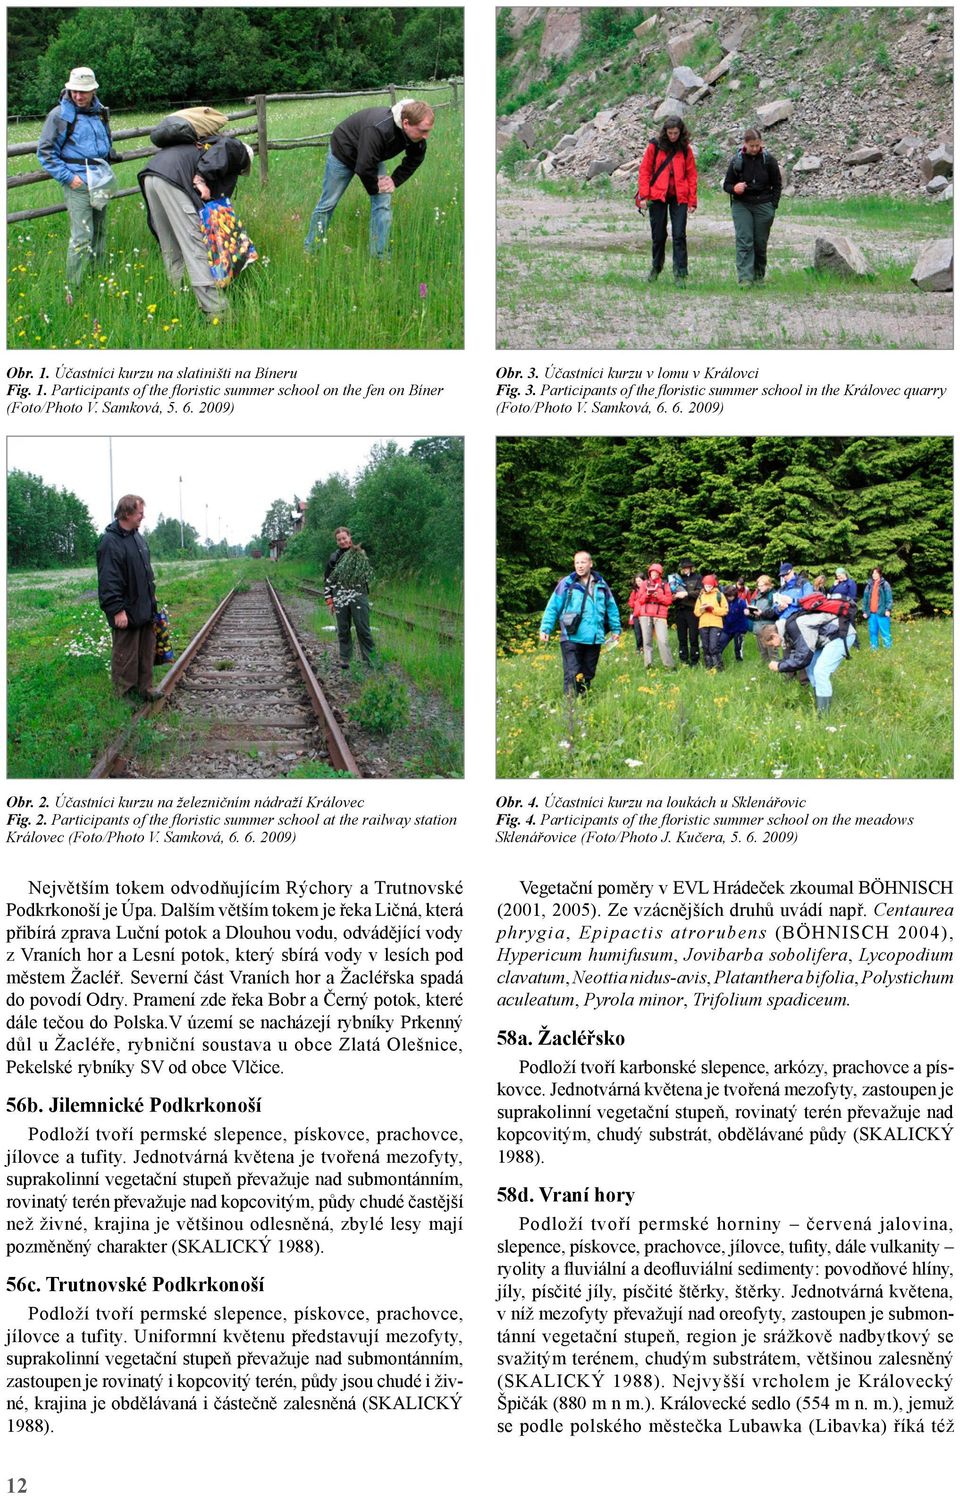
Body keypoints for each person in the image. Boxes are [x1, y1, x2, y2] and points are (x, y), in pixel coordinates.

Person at [138, 136, 253, 320]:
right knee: (196, 247)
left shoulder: (204, 149)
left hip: (152, 175)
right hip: (173, 179)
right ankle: (218, 313)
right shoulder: (236, 151)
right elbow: (229, 145)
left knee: (171, 247)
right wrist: (200, 179)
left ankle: (181, 298)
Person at [304, 100, 434, 258]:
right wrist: (375, 188)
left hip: (370, 155)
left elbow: (415, 159)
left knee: (383, 204)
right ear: (406, 123)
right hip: (343, 152)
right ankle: (311, 251)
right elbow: (364, 168)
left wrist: (394, 180)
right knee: (328, 203)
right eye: (423, 131)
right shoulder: (379, 128)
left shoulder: (416, 137)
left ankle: (380, 256)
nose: (426, 136)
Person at [37, 66, 114, 303]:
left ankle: (98, 276)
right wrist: (69, 177)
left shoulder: (100, 112)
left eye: (84, 92)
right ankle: (75, 289)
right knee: (81, 237)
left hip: (100, 177)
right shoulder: (59, 115)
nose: (79, 96)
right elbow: (45, 152)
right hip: (78, 181)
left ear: (93, 91)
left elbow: (104, 139)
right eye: (74, 91)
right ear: (68, 89)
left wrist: (109, 156)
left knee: (100, 231)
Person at [96, 495, 159, 703]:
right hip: (126, 610)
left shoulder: (137, 537)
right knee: (126, 655)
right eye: (140, 513)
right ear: (127, 513)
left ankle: (145, 689)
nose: (143, 516)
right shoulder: (110, 541)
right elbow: (109, 580)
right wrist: (116, 609)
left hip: (144, 607)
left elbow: (145, 571)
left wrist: (152, 596)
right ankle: (124, 697)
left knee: (145, 651)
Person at [539, 550, 621, 696]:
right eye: (577, 562)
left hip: (594, 637)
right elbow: (553, 606)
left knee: (588, 673)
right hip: (571, 636)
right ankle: (571, 706)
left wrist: (616, 629)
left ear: (590, 563)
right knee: (572, 673)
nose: (580, 566)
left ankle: (582, 701)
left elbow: (611, 606)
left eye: (583, 562)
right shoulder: (567, 583)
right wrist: (546, 628)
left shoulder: (601, 584)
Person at [759, 605, 856, 715]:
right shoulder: (787, 631)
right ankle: (819, 702)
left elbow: (803, 658)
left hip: (841, 634)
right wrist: (781, 663)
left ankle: (823, 714)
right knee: (811, 668)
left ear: (774, 636)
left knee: (821, 671)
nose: (774, 648)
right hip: (827, 639)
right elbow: (796, 656)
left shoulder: (796, 627)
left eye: (771, 645)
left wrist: (779, 666)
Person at [635, 115, 697, 283]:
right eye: (670, 133)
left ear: (681, 132)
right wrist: (644, 195)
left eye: (675, 133)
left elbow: (691, 175)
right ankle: (656, 267)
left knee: (679, 235)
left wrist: (692, 200)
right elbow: (645, 171)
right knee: (659, 235)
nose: (672, 136)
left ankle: (680, 274)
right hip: (657, 195)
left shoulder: (685, 149)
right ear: (665, 132)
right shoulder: (654, 146)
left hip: (679, 196)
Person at [722, 127, 782, 287]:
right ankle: (745, 279)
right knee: (744, 240)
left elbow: (777, 184)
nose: (755, 149)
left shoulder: (769, 160)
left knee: (760, 243)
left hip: (764, 205)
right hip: (742, 204)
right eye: (752, 146)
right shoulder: (737, 161)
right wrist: (734, 188)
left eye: (757, 145)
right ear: (745, 144)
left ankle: (758, 277)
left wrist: (772, 206)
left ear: (761, 143)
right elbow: (726, 184)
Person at [323, 527, 375, 669]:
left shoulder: (359, 554)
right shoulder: (334, 557)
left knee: (363, 628)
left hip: (359, 594)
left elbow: (366, 574)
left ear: (350, 537)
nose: (342, 541)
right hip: (339, 595)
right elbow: (328, 580)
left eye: (344, 538)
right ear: (337, 541)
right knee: (343, 629)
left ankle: (370, 659)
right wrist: (330, 600)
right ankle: (345, 659)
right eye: (339, 539)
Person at [629, 563, 675, 669]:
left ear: (660, 573)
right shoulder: (645, 583)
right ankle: (648, 665)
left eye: (656, 572)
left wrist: (658, 595)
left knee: (663, 641)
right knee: (647, 641)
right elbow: (639, 600)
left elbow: (668, 601)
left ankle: (669, 665)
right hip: (645, 615)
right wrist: (647, 595)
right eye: (652, 572)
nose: (654, 574)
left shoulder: (665, 584)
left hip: (660, 615)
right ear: (649, 573)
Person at [694, 573, 728, 670]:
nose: (708, 588)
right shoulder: (701, 596)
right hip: (703, 624)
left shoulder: (719, 595)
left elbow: (725, 611)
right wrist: (703, 609)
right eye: (706, 586)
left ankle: (719, 667)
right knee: (705, 647)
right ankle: (709, 667)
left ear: (713, 585)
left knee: (713, 647)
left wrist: (712, 609)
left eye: (709, 586)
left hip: (716, 624)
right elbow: (696, 612)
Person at [672, 559, 702, 667]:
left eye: (687, 568)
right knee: (681, 637)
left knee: (693, 636)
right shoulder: (678, 579)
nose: (685, 570)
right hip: (680, 610)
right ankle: (683, 659)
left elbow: (700, 592)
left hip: (692, 610)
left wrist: (686, 594)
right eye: (683, 568)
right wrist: (673, 597)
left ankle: (694, 659)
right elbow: (672, 592)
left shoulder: (698, 577)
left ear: (691, 568)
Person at [747, 574, 781, 663]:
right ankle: (765, 671)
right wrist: (748, 613)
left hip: (769, 628)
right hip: (758, 628)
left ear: (768, 584)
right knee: (762, 652)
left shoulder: (774, 595)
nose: (759, 587)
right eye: (758, 585)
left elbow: (776, 612)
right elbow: (755, 614)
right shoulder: (757, 596)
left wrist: (762, 612)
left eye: (761, 585)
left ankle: (776, 671)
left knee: (772, 652)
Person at [862, 567, 893, 650]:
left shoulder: (885, 584)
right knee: (873, 631)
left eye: (876, 573)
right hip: (871, 613)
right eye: (873, 573)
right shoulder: (869, 585)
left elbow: (889, 598)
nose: (874, 575)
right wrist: (864, 611)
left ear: (880, 574)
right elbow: (865, 599)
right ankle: (874, 648)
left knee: (885, 632)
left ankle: (888, 648)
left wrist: (888, 609)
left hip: (882, 612)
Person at [720, 584, 750, 662]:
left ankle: (739, 662)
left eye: (731, 596)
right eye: (728, 596)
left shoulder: (741, 602)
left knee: (738, 647)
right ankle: (717, 659)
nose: (730, 598)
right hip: (727, 628)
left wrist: (743, 630)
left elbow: (746, 615)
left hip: (739, 629)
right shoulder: (725, 602)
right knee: (720, 644)